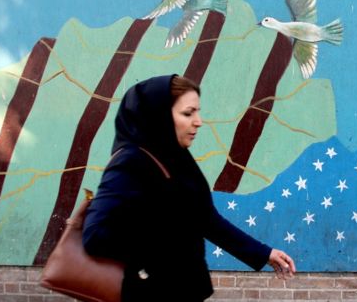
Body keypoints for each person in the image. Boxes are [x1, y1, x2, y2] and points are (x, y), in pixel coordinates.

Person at [82, 75, 296, 301]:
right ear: (160, 116)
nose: (198, 121)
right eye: (188, 113)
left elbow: (207, 220)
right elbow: (95, 236)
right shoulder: (130, 161)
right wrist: (165, 241)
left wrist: (264, 254)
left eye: (197, 111)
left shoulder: (178, 160)